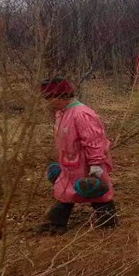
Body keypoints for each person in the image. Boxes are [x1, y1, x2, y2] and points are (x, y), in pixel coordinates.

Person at [40, 77, 117, 233]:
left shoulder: (81, 114)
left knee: (96, 192)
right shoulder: (62, 113)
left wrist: (95, 164)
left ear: (61, 96)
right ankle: (57, 224)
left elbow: (94, 140)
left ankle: (108, 222)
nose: (48, 102)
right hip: (70, 163)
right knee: (64, 192)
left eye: (50, 98)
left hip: (87, 163)